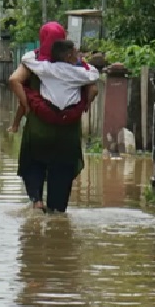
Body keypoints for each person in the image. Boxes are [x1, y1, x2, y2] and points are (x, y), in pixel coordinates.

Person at [8, 22, 98, 213]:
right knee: (62, 171)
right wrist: (85, 106)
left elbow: (14, 80)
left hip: (38, 129)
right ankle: (56, 212)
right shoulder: (76, 65)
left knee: (33, 163)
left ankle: (37, 201)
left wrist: (26, 105)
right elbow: (93, 88)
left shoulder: (34, 62)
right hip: (67, 133)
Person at [8, 40, 99, 133]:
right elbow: (94, 74)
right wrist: (84, 63)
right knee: (91, 89)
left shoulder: (47, 68)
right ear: (69, 56)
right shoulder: (78, 73)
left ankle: (16, 124)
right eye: (76, 53)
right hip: (70, 115)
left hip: (47, 113)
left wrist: (37, 52)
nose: (79, 56)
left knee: (27, 90)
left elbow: (27, 60)